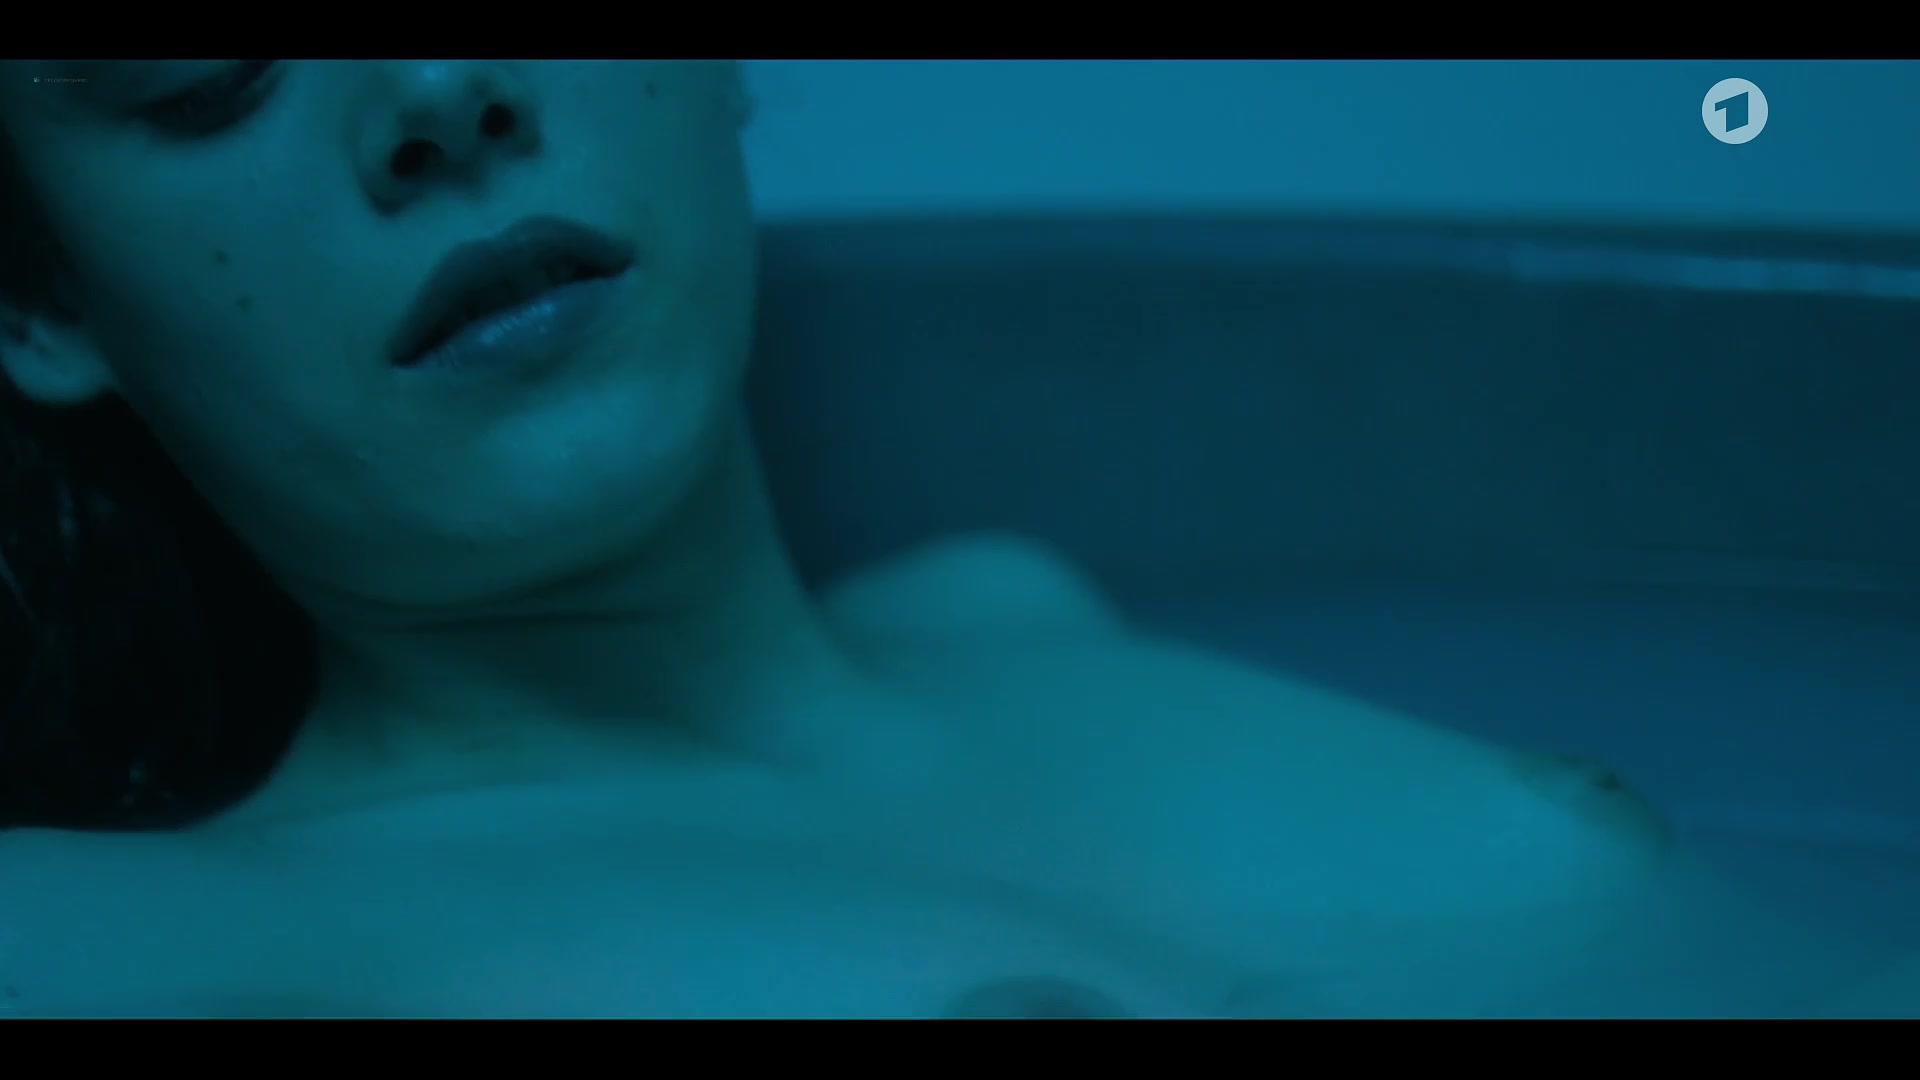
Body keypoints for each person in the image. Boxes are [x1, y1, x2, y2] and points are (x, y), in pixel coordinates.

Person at [0, 60, 1886, 1018]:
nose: (432, 92)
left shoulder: (1021, 613)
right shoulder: (113, 940)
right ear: (42, 296)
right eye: (202, 69)